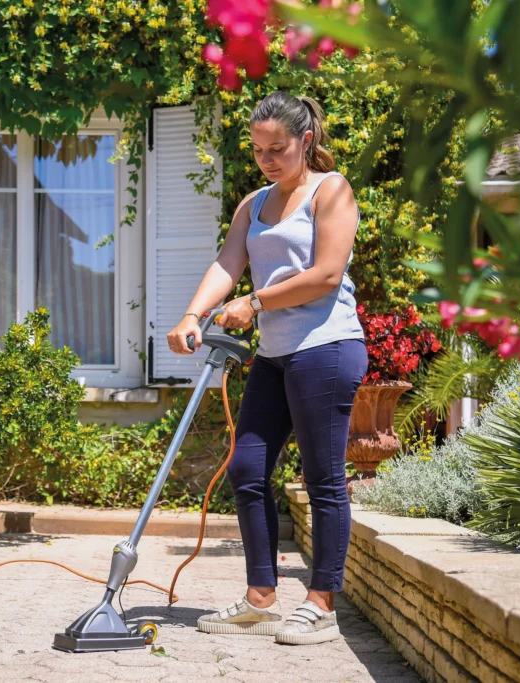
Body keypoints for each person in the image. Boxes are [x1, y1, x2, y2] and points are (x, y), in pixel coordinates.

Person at [166, 91, 366, 646]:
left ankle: (322, 603)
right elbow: (229, 262)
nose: (268, 159)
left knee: (323, 478)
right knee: (247, 469)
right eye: (258, 151)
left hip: (326, 347)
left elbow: (327, 274)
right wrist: (194, 313)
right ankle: (261, 599)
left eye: (277, 148)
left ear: (306, 141)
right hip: (277, 355)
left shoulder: (333, 191)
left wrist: (254, 304)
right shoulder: (253, 204)